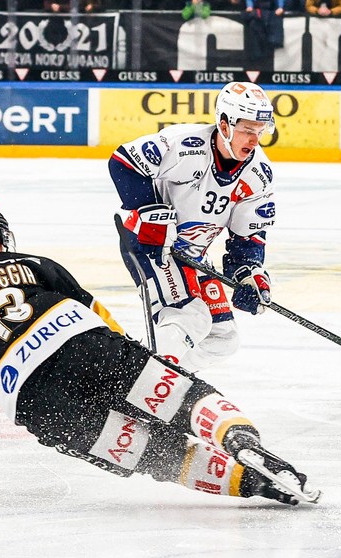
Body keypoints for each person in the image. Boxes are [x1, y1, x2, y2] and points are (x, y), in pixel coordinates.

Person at [0, 201, 318, 506]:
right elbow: (99, 317)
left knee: (156, 454)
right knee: (181, 399)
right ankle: (240, 438)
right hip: (86, 346)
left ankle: (252, 484)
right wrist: (140, 367)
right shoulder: (36, 263)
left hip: (34, 399)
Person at [108, 82, 277, 373]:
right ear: (224, 124)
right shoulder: (185, 144)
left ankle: (165, 378)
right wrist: (153, 216)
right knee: (190, 317)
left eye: (260, 130)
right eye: (248, 129)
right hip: (148, 244)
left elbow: (247, 238)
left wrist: (249, 275)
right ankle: (133, 383)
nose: (254, 139)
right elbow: (123, 162)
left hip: (191, 255)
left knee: (222, 338)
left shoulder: (258, 175)